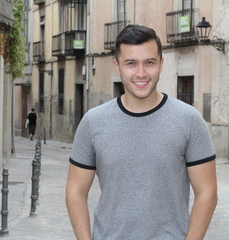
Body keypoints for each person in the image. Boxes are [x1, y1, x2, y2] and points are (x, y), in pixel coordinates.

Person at [66, 24, 218, 240]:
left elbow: (207, 193)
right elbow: (75, 191)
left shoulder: (189, 120)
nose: (141, 73)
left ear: (161, 64)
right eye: (131, 63)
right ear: (117, 67)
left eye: (149, 63)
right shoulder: (93, 122)